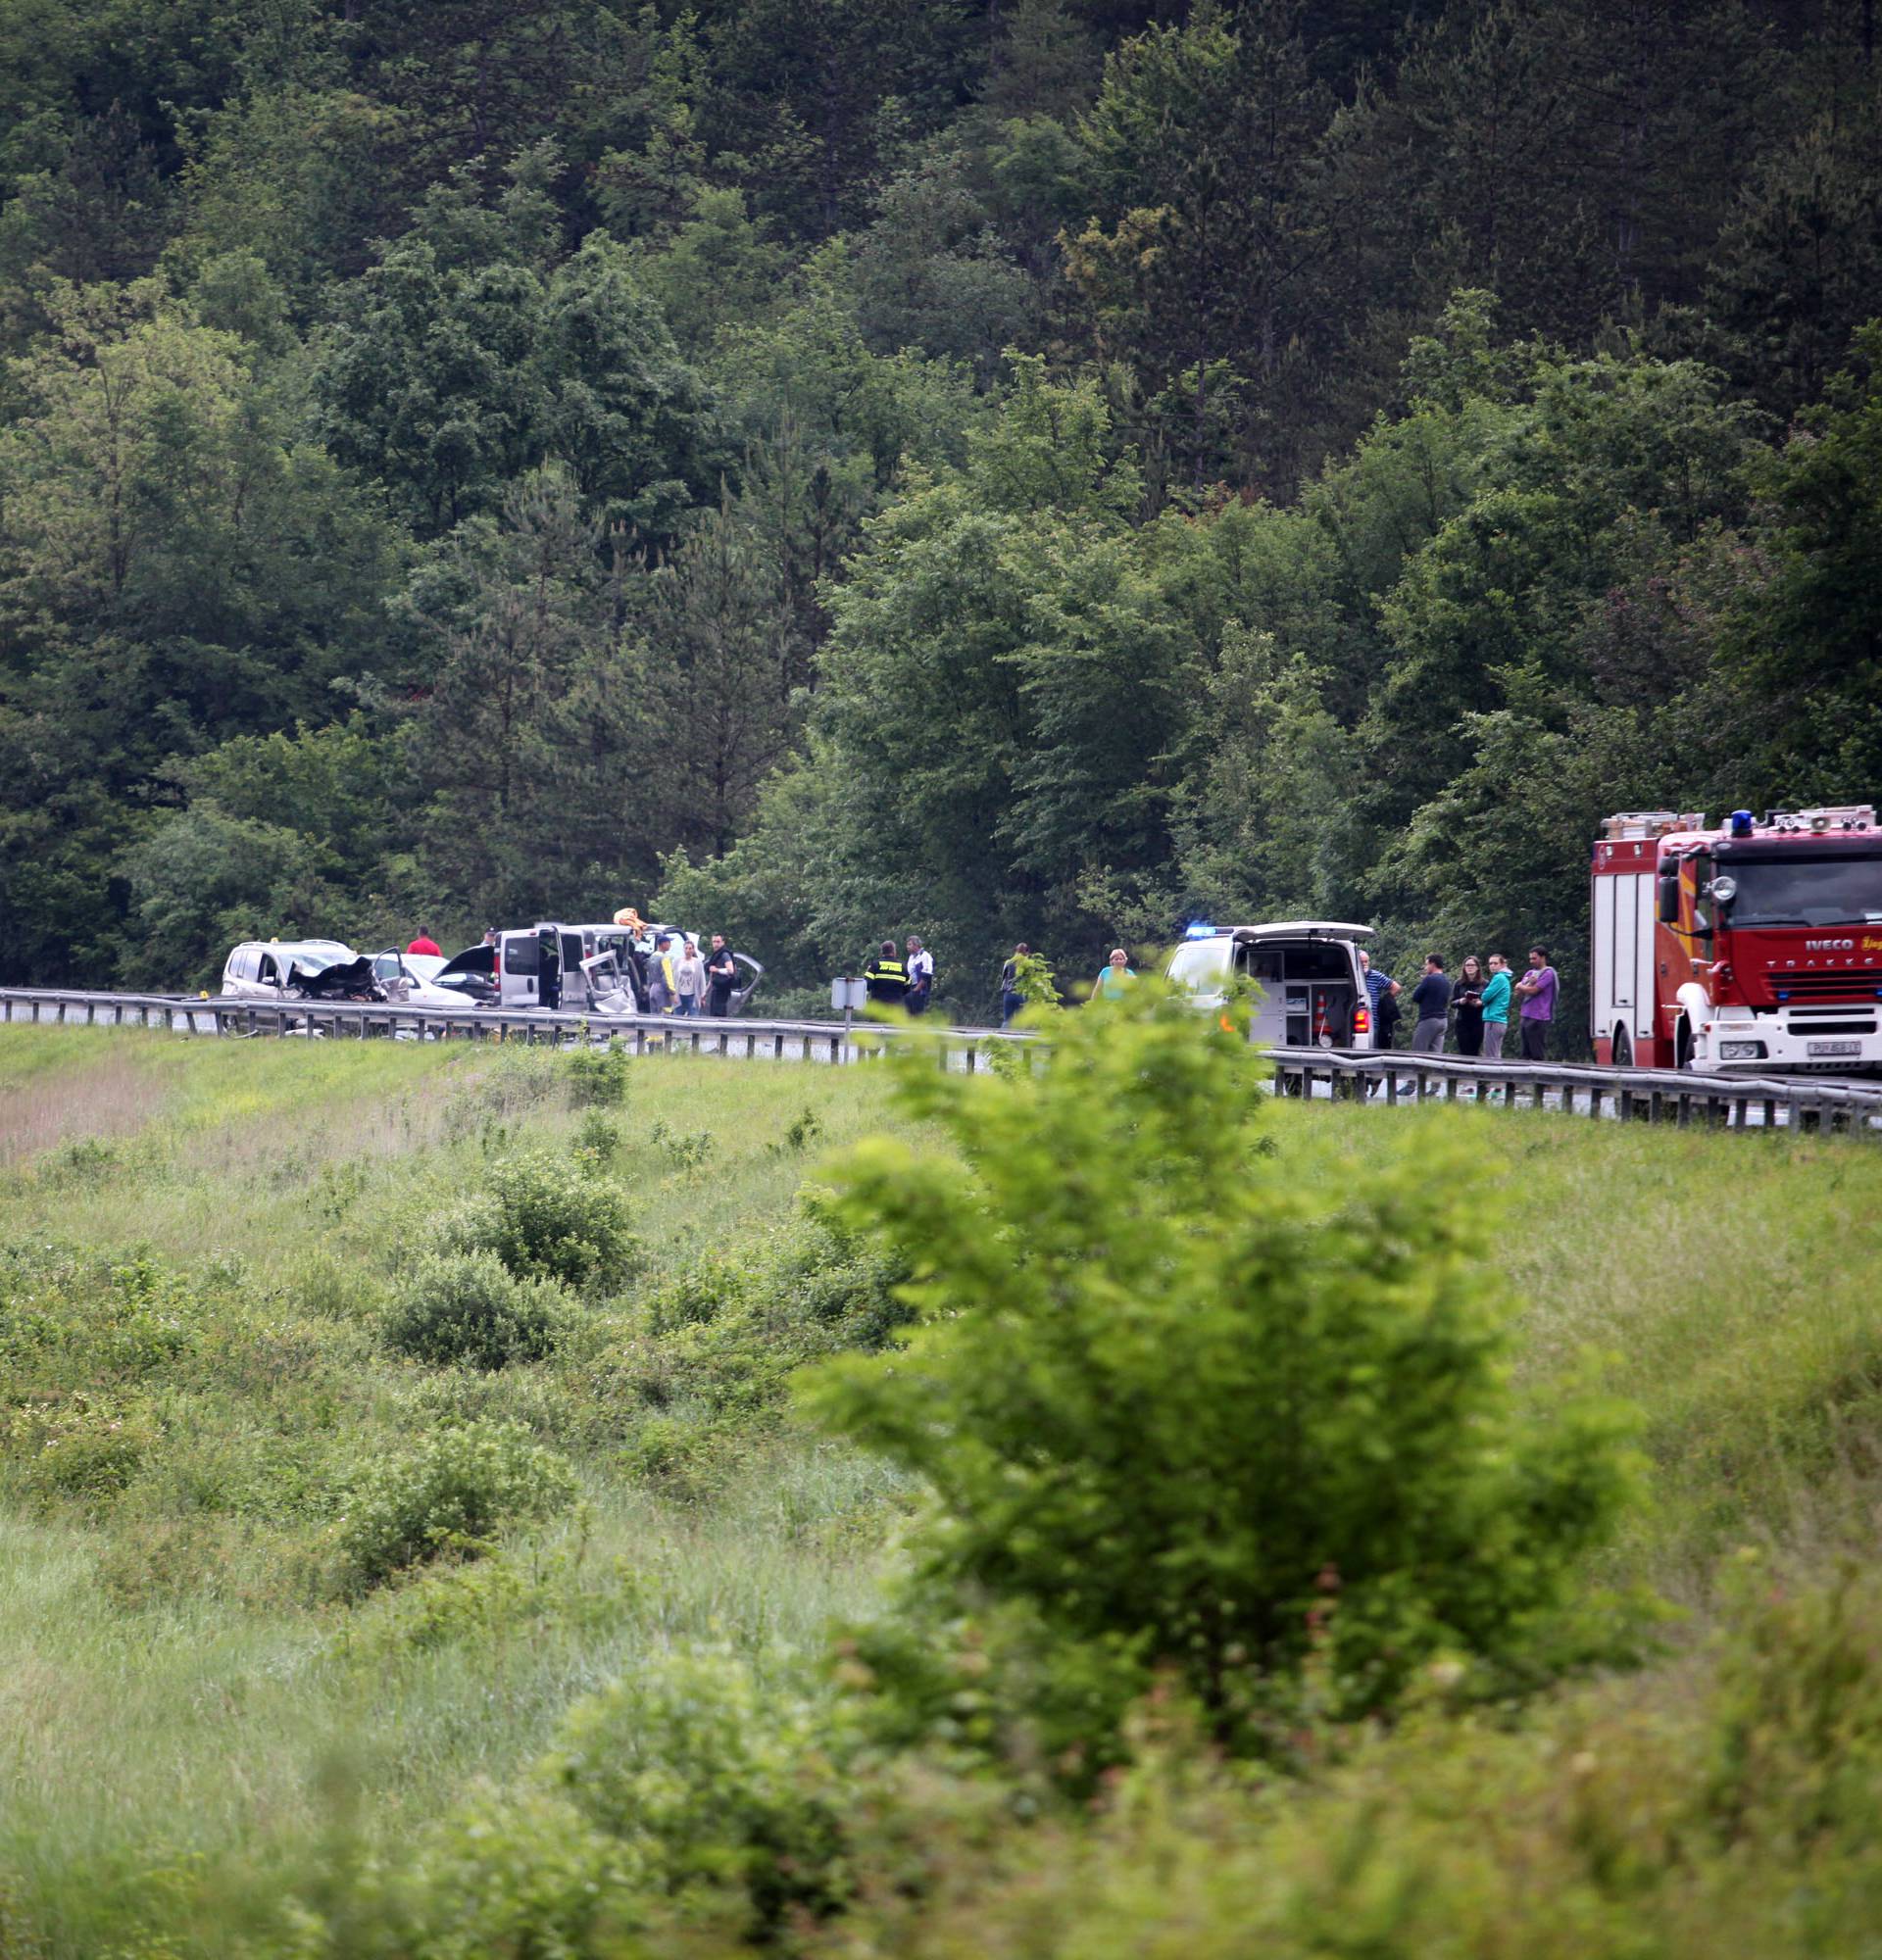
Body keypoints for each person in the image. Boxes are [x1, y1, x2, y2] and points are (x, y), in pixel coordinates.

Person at [1513, 944, 1557, 1061]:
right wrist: (1524, 985)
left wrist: (1521, 986)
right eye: (1530, 958)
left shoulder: (1548, 973)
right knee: (1525, 1051)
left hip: (1539, 1017)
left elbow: (1533, 991)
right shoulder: (1529, 973)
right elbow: (1518, 992)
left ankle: (1540, 1077)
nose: (1531, 961)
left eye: (1534, 958)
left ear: (1543, 958)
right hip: (1526, 1014)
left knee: (1537, 1051)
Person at [1359, 948, 1402, 1049]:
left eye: (1366, 961)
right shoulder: (1353, 975)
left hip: (1373, 1020)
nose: (1365, 964)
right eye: (1362, 962)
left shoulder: (1375, 975)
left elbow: (1396, 987)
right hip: (1356, 1018)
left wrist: (1385, 1002)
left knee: (1373, 1047)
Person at [1409, 954, 1451, 1053]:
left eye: (1426, 964)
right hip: (1443, 1021)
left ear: (1433, 964)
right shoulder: (1446, 980)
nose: (1425, 967)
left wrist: (1423, 981)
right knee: (1435, 1055)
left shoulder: (1429, 979)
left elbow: (1415, 997)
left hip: (1428, 1019)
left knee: (1419, 1052)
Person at [1452, 955, 1487, 1057]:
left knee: (1475, 1050)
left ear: (1477, 967)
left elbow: (1489, 1001)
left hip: (1478, 1020)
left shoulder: (1485, 983)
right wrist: (1460, 1001)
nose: (1469, 967)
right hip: (1462, 1021)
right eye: (1467, 965)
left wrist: (1480, 1002)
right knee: (1464, 1050)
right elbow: (1452, 1002)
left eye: (1472, 965)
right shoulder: (1458, 983)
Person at [1478, 954, 1512, 1059]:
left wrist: (1481, 998)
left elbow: (1485, 997)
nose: (1492, 966)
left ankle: (1492, 1076)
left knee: (1490, 1056)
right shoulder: (1504, 978)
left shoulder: (1499, 978)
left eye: (1495, 963)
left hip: (1494, 1019)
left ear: (1502, 965)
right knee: (1495, 1054)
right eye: (1490, 963)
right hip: (1499, 1020)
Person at [864, 939, 909, 1007]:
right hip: (896, 1007)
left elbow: (866, 985)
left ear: (882, 952)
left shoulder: (875, 965)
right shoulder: (903, 967)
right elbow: (908, 988)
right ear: (894, 951)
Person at [705, 934, 738, 1016]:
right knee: (713, 1013)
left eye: (718, 941)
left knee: (719, 1013)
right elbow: (712, 977)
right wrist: (705, 992)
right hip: (715, 988)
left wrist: (717, 970)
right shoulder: (716, 956)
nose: (716, 944)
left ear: (723, 942)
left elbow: (731, 970)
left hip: (723, 988)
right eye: (714, 942)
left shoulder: (724, 954)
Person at [999, 944, 1030, 1026]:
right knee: (1021, 1021)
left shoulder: (1008, 962)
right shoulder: (1026, 964)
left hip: (1008, 994)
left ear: (1016, 951)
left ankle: (1002, 1037)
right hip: (1019, 994)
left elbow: (1004, 979)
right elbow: (1029, 980)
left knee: (1007, 1020)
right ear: (1026, 952)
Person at [646, 932, 677, 1014]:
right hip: (661, 990)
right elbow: (667, 977)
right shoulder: (665, 958)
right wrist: (672, 992)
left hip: (652, 988)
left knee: (654, 1015)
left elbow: (648, 974)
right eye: (668, 942)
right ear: (663, 944)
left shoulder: (652, 957)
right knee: (664, 1016)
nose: (670, 944)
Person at [674, 936, 706, 1016]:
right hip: (679, 993)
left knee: (694, 1016)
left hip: (692, 994)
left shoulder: (697, 962)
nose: (688, 950)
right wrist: (673, 994)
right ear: (683, 949)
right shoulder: (677, 961)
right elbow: (673, 978)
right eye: (686, 948)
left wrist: (703, 994)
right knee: (677, 1016)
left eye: (690, 948)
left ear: (693, 949)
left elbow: (702, 979)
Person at [905, 936, 935, 1016]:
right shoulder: (911, 957)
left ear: (916, 945)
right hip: (911, 987)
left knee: (918, 1013)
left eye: (909, 944)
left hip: (920, 989)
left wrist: (917, 989)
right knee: (909, 1012)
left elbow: (927, 974)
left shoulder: (925, 956)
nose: (907, 947)